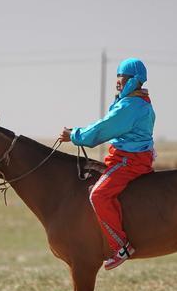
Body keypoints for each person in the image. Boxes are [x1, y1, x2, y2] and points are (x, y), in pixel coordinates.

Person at [59, 57, 155, 270]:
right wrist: (78, 131)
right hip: (126, 157)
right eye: (118, 77)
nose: (118, 81)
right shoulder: (132, 102)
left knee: (98, 194)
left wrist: (74, 135)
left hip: (130, 161)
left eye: (123, 77)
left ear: (135, 80)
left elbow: (104, 128)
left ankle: (121, 246)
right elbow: (103, 124)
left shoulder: (131, 105)